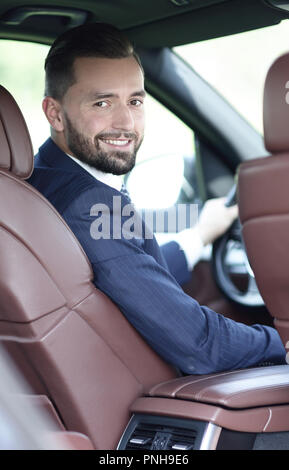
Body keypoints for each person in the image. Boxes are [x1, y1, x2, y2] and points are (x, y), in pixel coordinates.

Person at [28, 22, 285, 374]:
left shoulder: (39, 182)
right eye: (102, 103)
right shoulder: (88, 204)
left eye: (135, 101)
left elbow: (128, 273)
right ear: (55, 113)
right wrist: (281, 342)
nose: (126, 122)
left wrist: (198, 236)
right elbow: (201, 345)